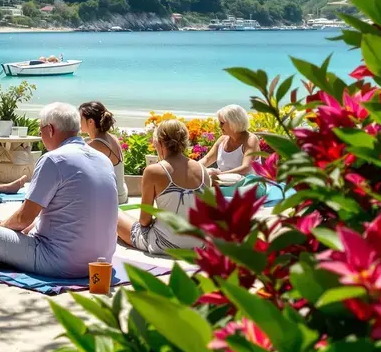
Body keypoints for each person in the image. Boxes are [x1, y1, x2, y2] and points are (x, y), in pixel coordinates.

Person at [0, 102, 119, 278]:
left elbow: (23, 218)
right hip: (102, 262)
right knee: (31, 225)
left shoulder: (53, 159)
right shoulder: (103, 160)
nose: (40, 134)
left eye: (40, 130)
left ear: (50, 130)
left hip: (61, 262)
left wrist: (1, 227)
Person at [117, 119, 208, 255]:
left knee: (115, 214)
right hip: (198, 244)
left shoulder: (154, 171)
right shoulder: (202, 170)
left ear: (159, 142)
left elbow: (144, 221)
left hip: (165, 244)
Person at [198, 104, 261, 184]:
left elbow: (246, 167)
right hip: (225, 183)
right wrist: (193, 167)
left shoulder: (251, 140)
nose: (219, 126)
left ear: (234, 123)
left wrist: (219, 174)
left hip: (248, 186)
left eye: (222, 123)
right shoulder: (222, 139)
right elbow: (207, 159)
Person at [81, 101, 128, 204]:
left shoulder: (96, 145)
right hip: (122, 191)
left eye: (80, 118)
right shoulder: (112, 137)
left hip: (115, 197)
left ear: (90, 122)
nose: (77, 121)